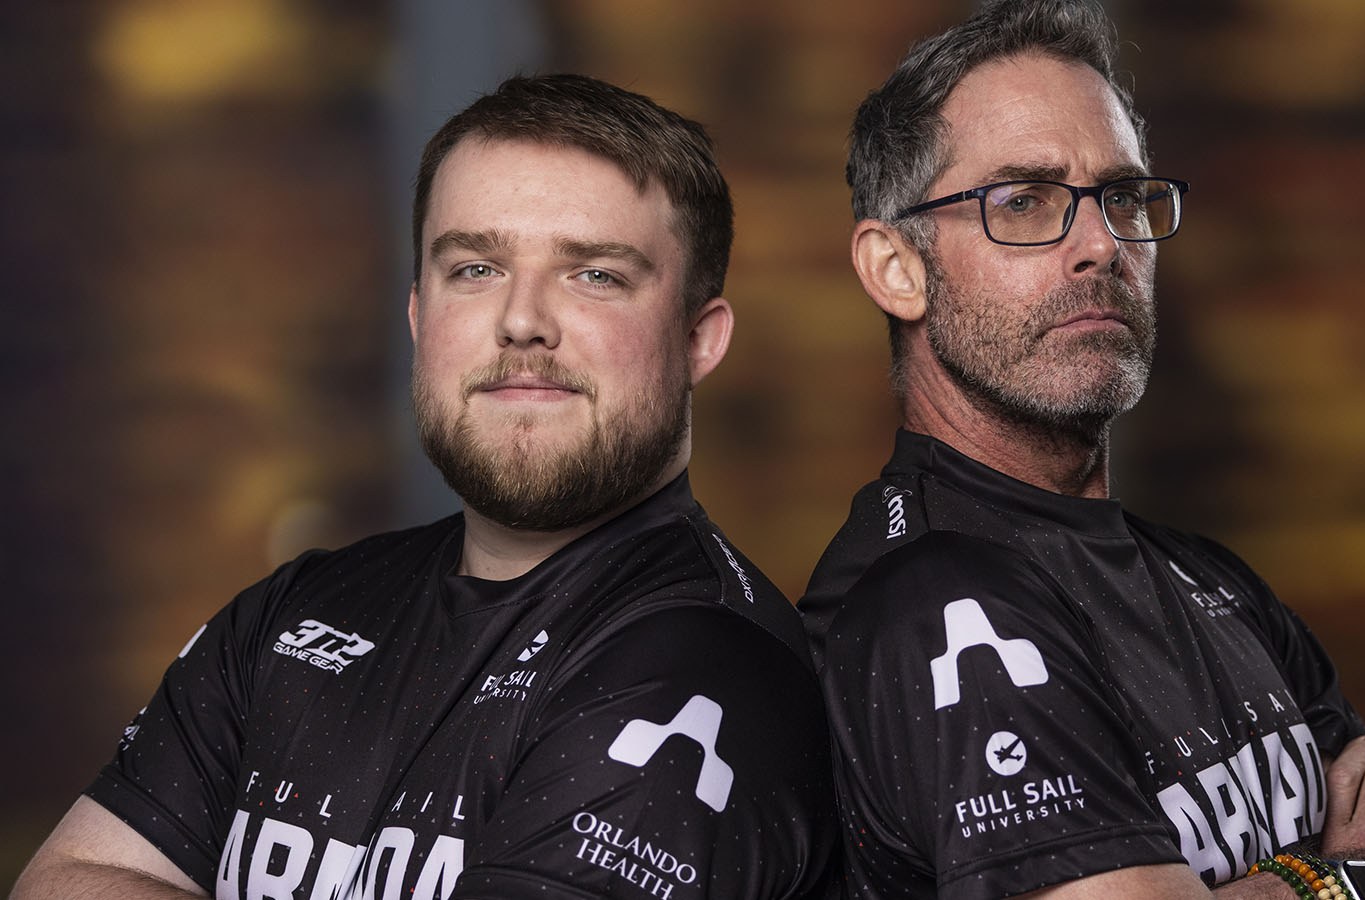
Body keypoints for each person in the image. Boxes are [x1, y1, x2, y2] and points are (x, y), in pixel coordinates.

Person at [15, 74, 838, 900]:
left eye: (594, 275)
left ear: (700, 339)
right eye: (475, 268)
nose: (522, 319)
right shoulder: (297, 611)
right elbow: (70, 879)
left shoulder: (709, 673)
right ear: (418, 317)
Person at [798, 2, 1365, 898]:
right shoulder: (934, 604)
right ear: (896, 270)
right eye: (1024, 202)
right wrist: (1332, 876)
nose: (1101, 244)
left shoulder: (1213, 582)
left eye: (1123, 197)